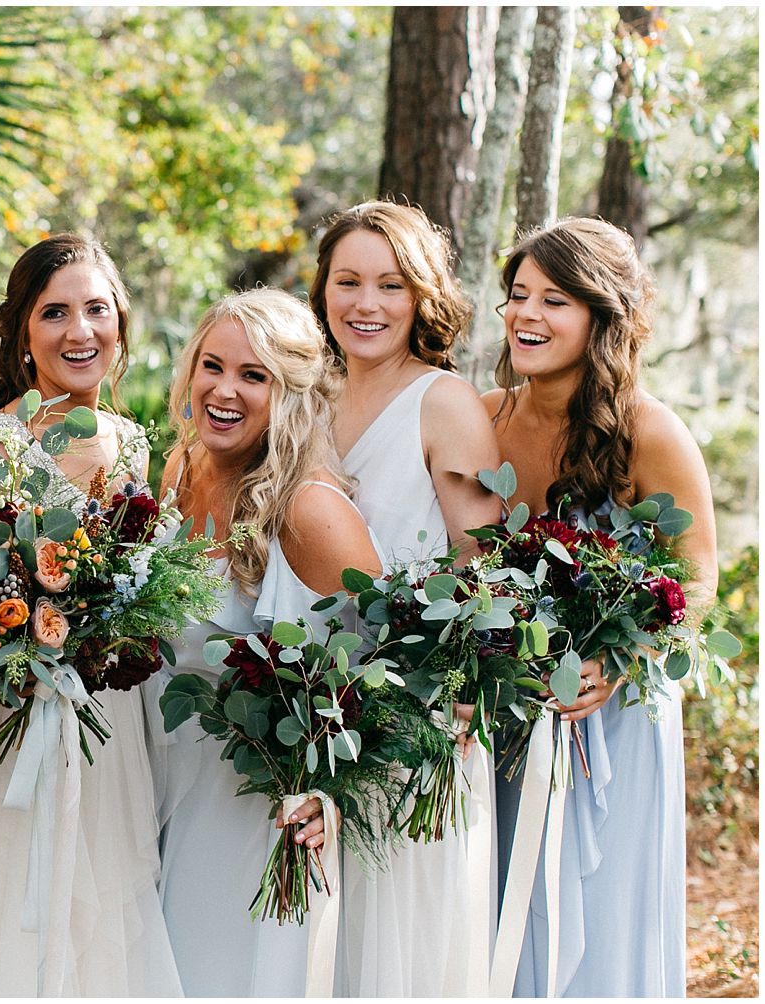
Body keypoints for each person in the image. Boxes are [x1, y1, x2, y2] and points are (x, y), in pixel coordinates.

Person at [0, 234, 179, 996]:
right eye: (55, 313)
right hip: (11, 717)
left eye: (96, 309)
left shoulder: (132, 444)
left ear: (120, 319)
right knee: (6, 909)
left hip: (99, 725)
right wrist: (7, 623)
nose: (80, 331)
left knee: (93, 915)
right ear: (21, 333)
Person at [484, 217, 713, 997]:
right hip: (509, 713)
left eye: (555, 299)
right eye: (518, 295)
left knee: (605, 922)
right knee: (507, 919)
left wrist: (619, 659)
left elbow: (699, 577)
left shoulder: (651, 432)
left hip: (611, 722)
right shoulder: (483, 420)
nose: (527, 315)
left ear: (601, 316)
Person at [151, 288, 382, 995]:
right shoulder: (179, 471)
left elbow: (385, 667)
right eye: (212, 366)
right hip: (155, 785)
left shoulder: (309, 510)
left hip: (249, 814)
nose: (225, 390)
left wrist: (332, 790)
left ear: (292, 393)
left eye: (254, 376)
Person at [308, 200, 503, 995]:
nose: (366, 304)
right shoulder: (309, 397)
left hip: (414, 716)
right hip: (313, 711)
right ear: (322, 292)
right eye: (347, 281)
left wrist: (449, 681)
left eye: (390, 285)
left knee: (403, 944)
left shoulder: (444, 402)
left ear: (422, 295)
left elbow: (482, 566)